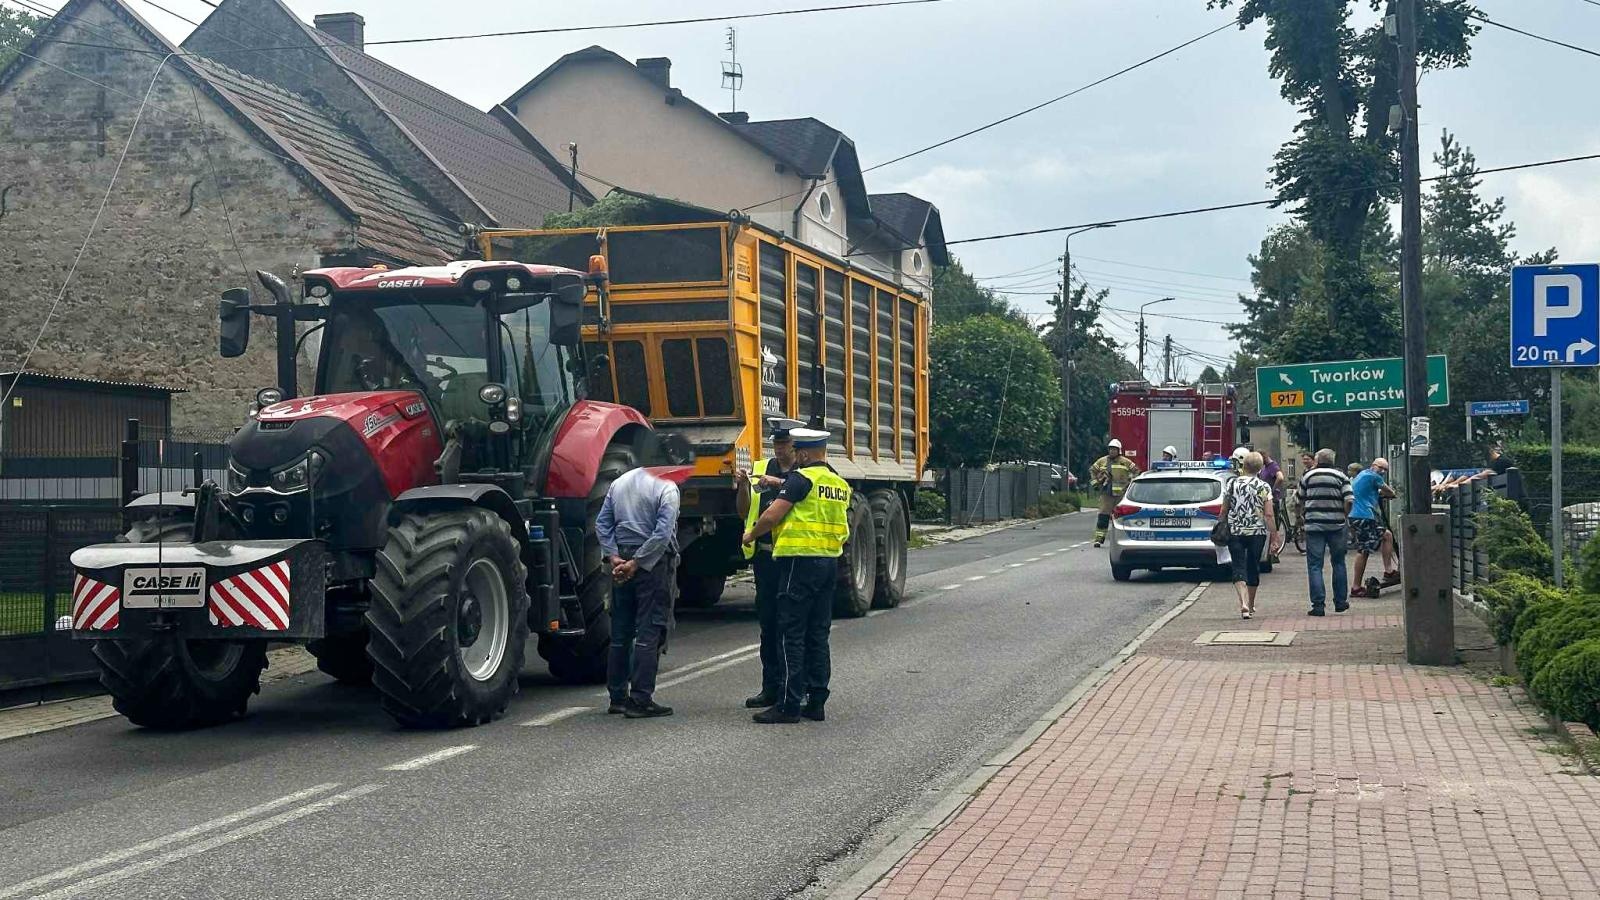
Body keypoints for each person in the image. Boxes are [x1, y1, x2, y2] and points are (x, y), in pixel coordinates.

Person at [741, 427, 851, 724]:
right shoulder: (838, 483)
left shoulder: (802, 479)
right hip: (828, 564)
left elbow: (773, 514)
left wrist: (751, 534)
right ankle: (816, 701)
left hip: (798, 564)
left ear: (802, 453)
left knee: (791, 632)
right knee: (818, 634)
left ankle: (788, 704)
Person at [597, 464, 684, 719]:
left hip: (622, 559)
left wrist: (614, 557)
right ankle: (641, 699)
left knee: (621, 631)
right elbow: (662, 533)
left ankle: (617, 697)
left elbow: (602, 523)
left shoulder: (620, 482)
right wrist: (637, 563)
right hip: (652, 564)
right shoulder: (667, 488)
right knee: (650, 629)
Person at [734, 417, 803, 709]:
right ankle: (770, 687)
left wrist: (779, 483)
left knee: (793, 627)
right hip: (765, 557)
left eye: (783, 443)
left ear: (795, 446)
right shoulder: (761, 468)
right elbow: (743, 512)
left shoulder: (805, 471)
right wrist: (741, 487)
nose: (778, 449)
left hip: (793, 559)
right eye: (775, 443)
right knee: (769, 624)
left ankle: (794, 689)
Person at [1222, 451, 1276, 618]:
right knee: (1253, 566)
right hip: (1257, 532)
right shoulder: (1264, 486)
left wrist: (1220, 525)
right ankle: (1251, 605)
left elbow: (1224, 509)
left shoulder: (1231, 484)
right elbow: (1269, 514)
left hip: (1235, 530)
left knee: (1238, 565)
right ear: (1260, 468)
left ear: (1244, 466)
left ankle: (1243, 603)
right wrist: (1274, 534)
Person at [1300, 448, 1354, 616]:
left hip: (1314, 526)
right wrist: (1344, 515)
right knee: (1338, 562)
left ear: (1317, 460)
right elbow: (1349, 499)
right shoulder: (1341, 477)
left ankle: (1318, 605)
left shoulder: (1308, 476)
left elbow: (1299, 499)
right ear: (1332, 460)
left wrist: (1302, 516)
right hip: (1337, 525)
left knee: (1315, 565)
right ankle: (1340, 602)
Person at [1349, 457, 1399, 598]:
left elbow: (1368, 492)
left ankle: (1388, 571)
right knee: (1363, 550)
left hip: (1357, 515)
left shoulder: (1363, 475)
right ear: (1373, 466)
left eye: (1385, 470)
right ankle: (1356, 587)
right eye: (1380, 467)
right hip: (1363, 516)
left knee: (1386, 535)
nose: (1382, 471)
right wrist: (1388, 494)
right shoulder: (1372, 476)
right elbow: (1390, 492)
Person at [1090, 438, 1140, 547]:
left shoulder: (1125, 462)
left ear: (1119, 450)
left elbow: (1136, 471)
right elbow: (1092, 470)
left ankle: (1123, 537)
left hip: (1121, 495)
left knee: (1121, 518)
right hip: (1106, 495)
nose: (1112, 451)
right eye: (1110, 449)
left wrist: (1130, 483)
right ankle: (1099, 538)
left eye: (1114, 449)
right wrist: (1095, 483)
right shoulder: (1102, 461)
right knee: (1103, 516)